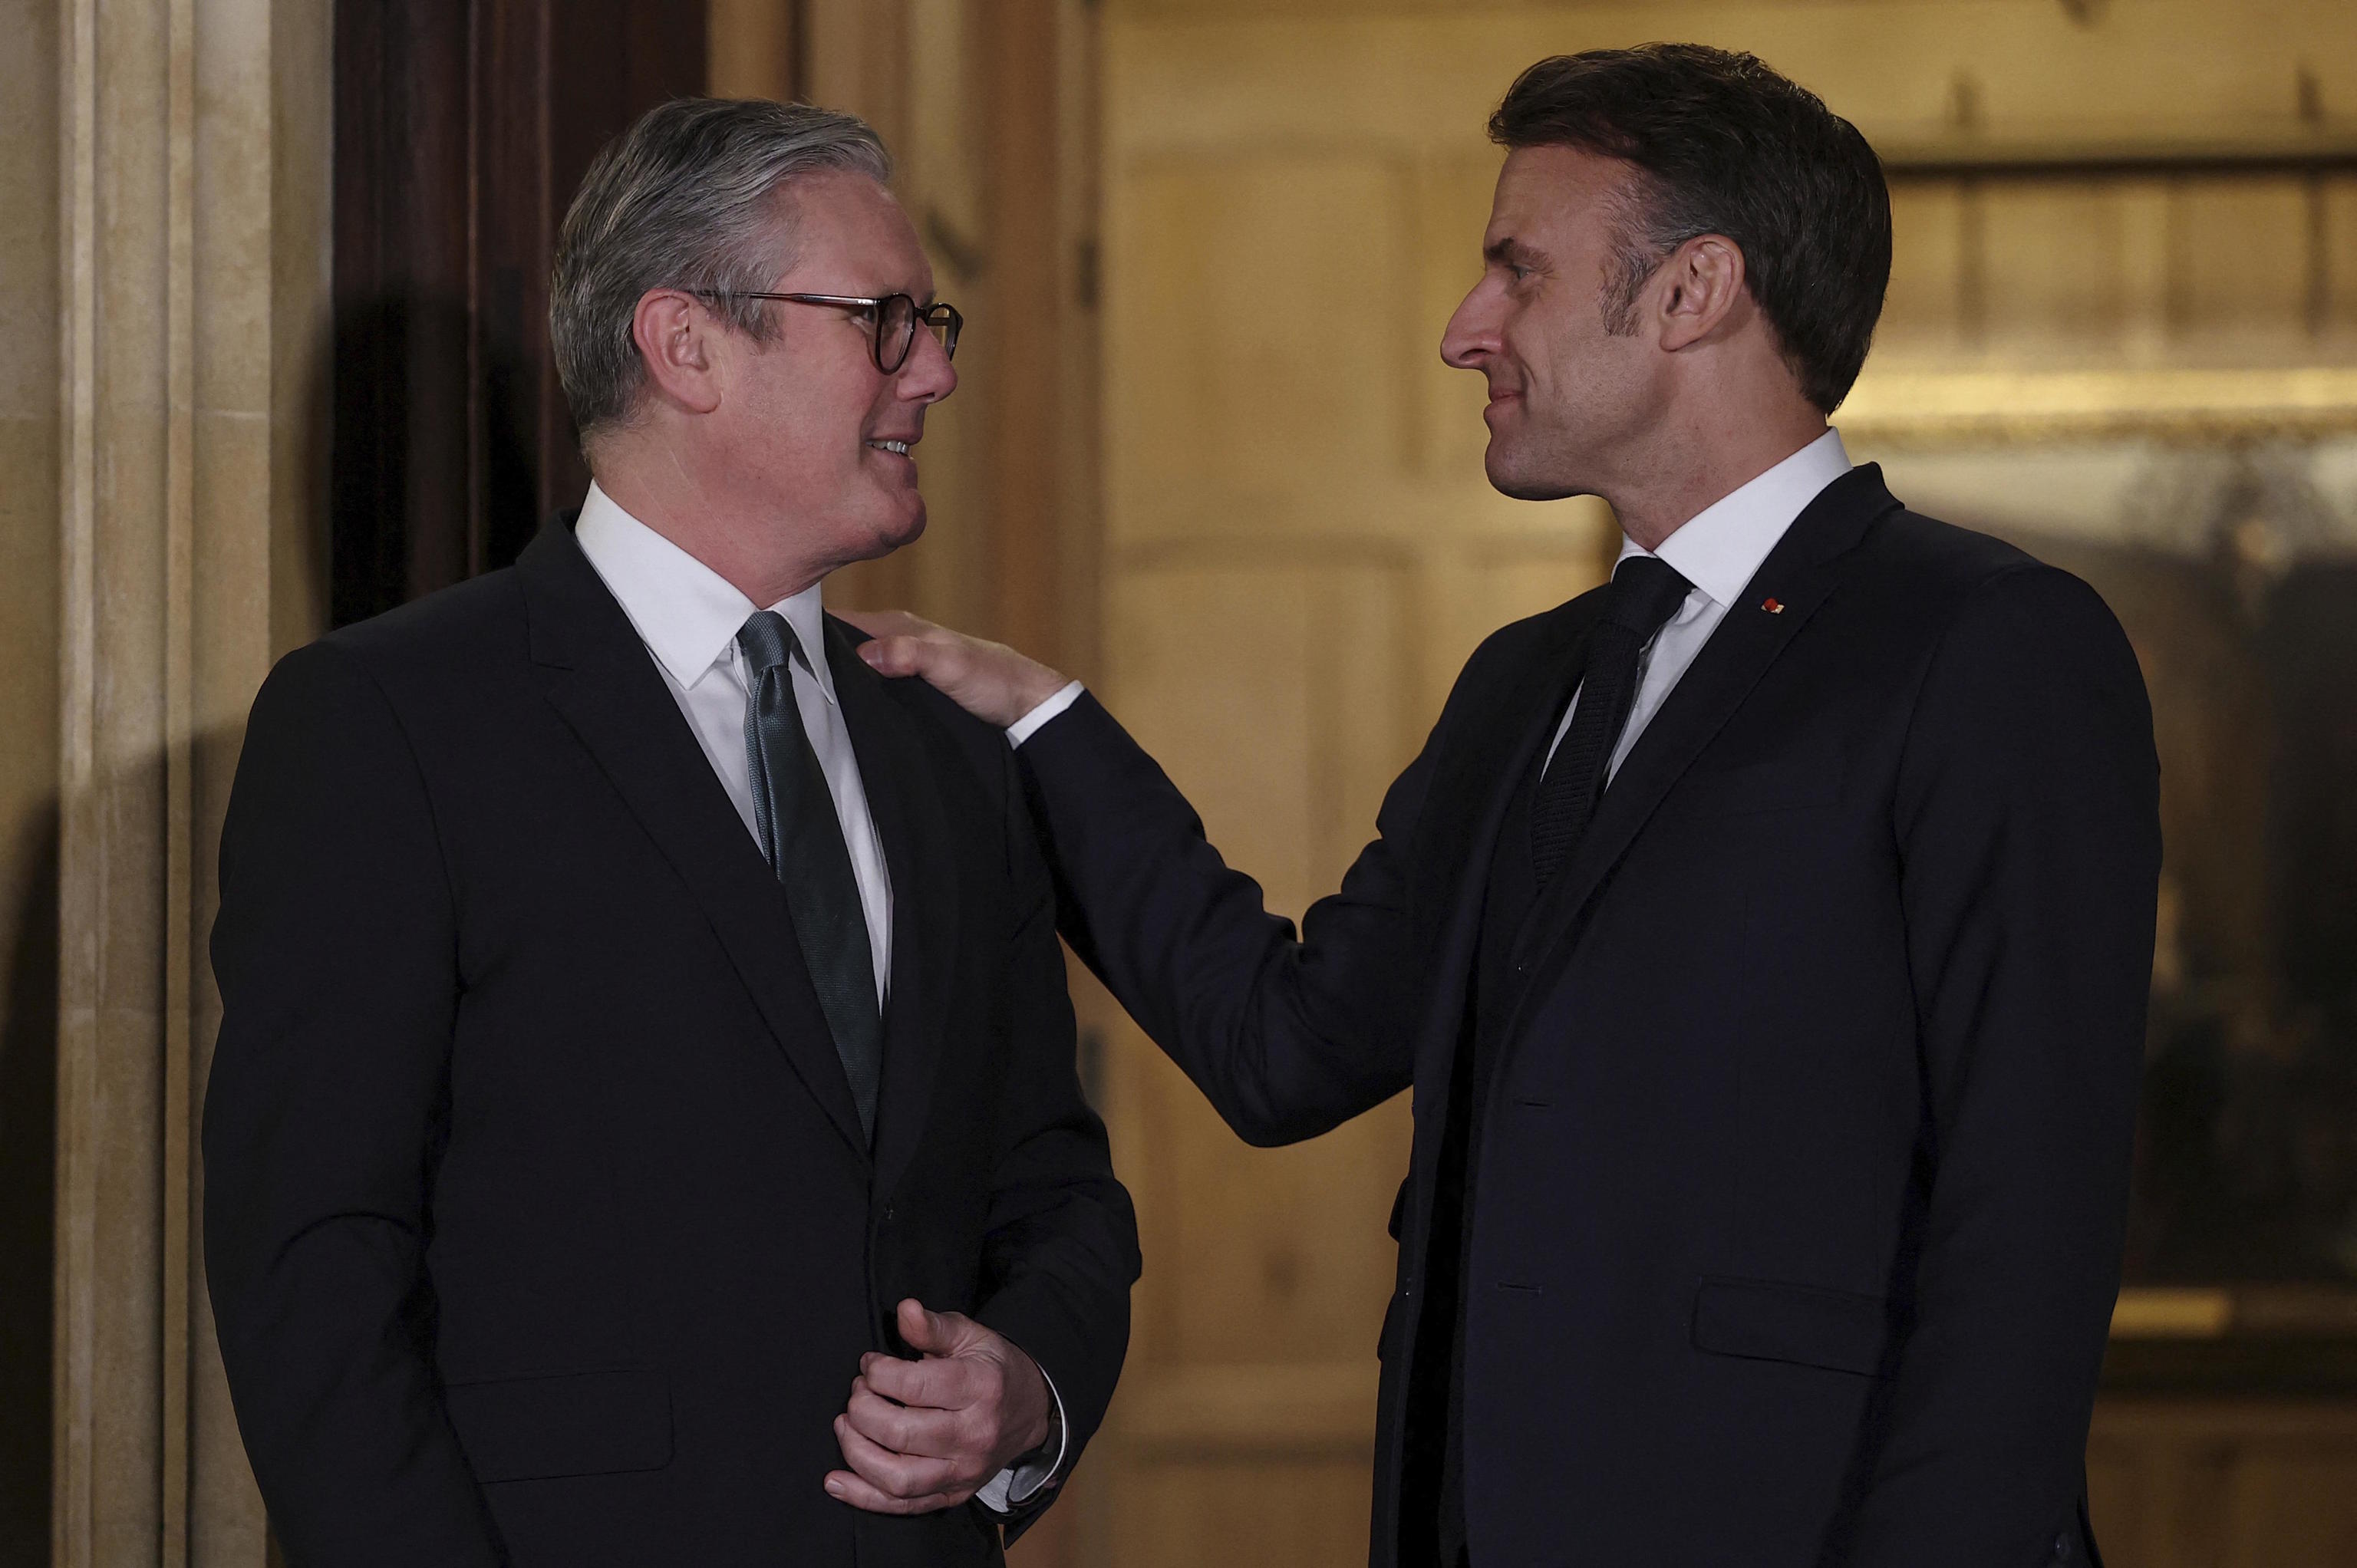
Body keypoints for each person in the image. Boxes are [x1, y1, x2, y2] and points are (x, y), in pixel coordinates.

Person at [851, 44, 2159, 1568]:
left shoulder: (1989, 644)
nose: (1468, 329)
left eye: (1517, 269)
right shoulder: (1529, 681)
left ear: (1695, 292)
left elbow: (2030, 1236)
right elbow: (1288, 1046)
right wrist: (1047, 726)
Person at [203, 98, 1139, 1568]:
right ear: (685, 344)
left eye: (932, 321)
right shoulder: (387, 725)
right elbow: (315, 1274)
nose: (938, 370)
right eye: (886, 322)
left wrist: (1030, 1395)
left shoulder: (955, 748)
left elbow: (1057, 1190)